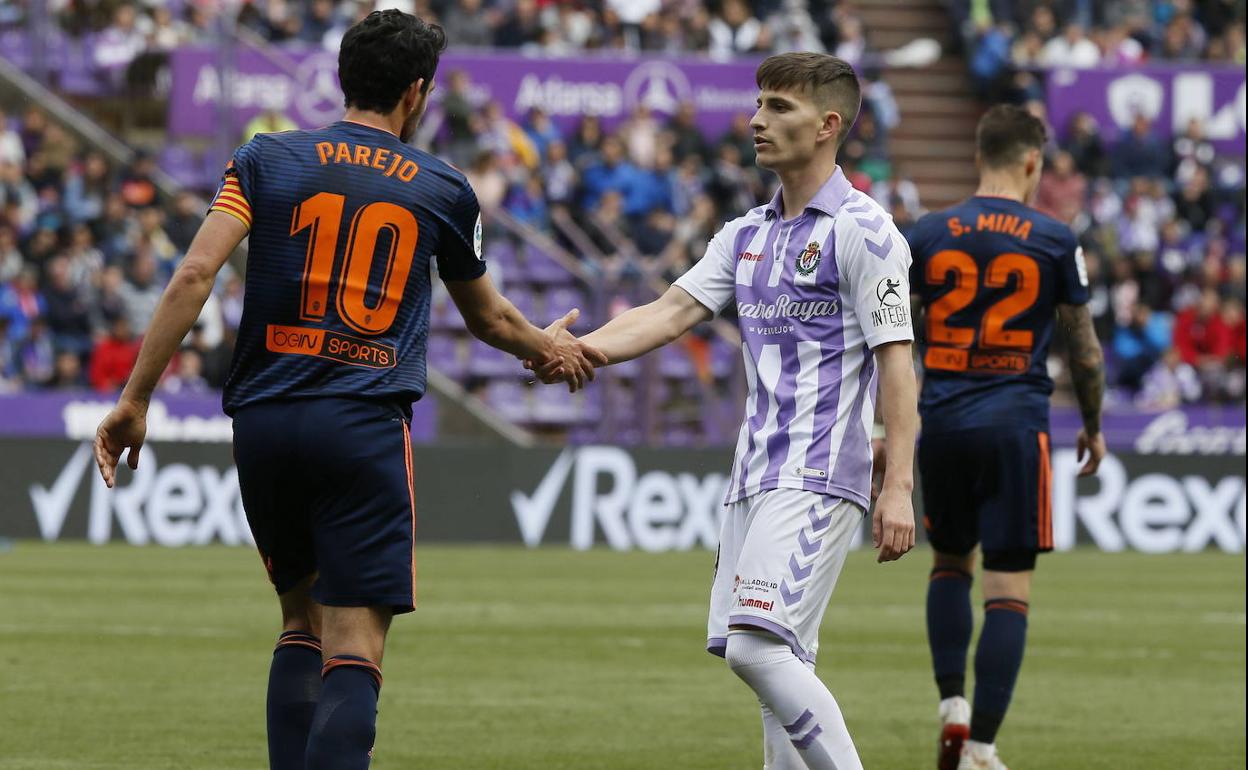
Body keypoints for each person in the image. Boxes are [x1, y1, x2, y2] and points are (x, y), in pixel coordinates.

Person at [92, 10, 603, 770]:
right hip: (360, 424)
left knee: (299, 623)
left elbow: (195, 273)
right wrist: (552, 350)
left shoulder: (265, 158)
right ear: (417, 92)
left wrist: (135, 399)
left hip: (263, 421)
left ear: (343, 77)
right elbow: (492, 319)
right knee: (354, 644)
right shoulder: (440, 186)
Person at [532, 52, 919, 770]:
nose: (756, 120)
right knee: (778, 669)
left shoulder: (866, 232)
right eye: (759, 104)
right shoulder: (747, 234)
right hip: (753, 474)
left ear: (828, 124)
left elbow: (898, 359)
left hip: (817, 471)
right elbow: (669, 310)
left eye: (778, 107)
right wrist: (575, 350)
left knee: (757, 647)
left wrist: (898, 484)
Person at [906, 105, 1106, 770]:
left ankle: (951, 708)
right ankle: (982, 748)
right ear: (1031, 163)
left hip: (942, 424)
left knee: (948, 564)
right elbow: (1084, 351)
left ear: (976, 157)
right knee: (1008, 590)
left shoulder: (928, 233)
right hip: (1016, 428)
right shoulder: (1053, 237)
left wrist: (888, 427)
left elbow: (894, 339)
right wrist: (1095, 426)